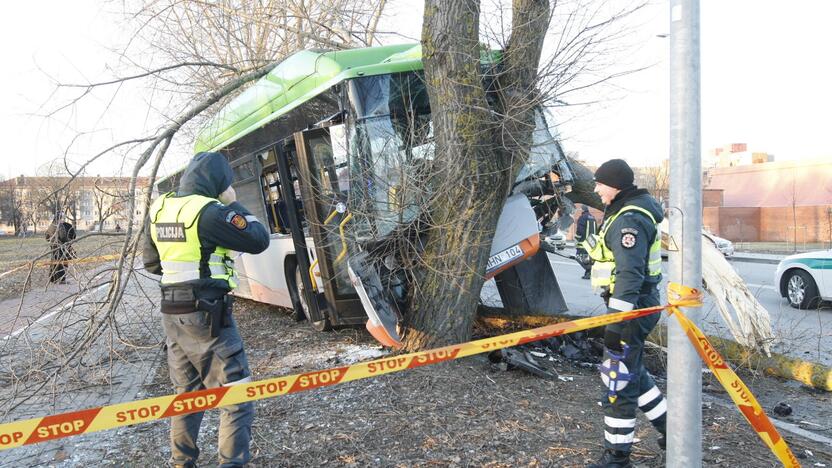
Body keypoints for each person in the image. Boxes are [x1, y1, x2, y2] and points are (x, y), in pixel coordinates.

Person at [143, 152, 269, 468]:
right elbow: (258, 239)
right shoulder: (210, 212)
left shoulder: (160, 208)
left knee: (187, 395)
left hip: (172, 314)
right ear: (217, 183)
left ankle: (181, 462)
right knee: (236, 397)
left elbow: (151, 262)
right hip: (208, 315)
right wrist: (233, 203)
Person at [582, 159, 667, 468]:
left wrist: (616, 325)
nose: (595, 189)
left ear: (614, 185)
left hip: (630, 312)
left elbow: (630, 275)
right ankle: (671, 430)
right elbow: (615, 261)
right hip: (636, 308)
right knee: (633, 372)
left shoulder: (629, 219)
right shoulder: (627, 212)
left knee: (617, 381)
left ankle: (617, 458)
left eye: (599, 183)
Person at [46, 219, 75, 283]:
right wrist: (69, 241)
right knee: (62, 262)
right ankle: (62, 280)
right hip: (60, 246)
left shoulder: (51, 225)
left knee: (54, 262)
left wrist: (52, 241)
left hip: (53, 246)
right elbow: (63, 236)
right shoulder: (60, 225)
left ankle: (53, 279)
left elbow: (46, 236)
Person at [574, 205, 597, 280]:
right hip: (592, 243)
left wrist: (576, 239)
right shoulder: (593, 218)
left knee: (580, 257)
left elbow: (580, 230)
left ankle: (589, 271)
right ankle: (588, 273)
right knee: (589, 259)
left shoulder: (582, 218)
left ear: (582, 210)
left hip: (584, 243)